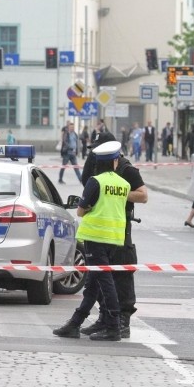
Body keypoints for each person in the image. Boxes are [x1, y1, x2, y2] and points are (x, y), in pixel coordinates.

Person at [53, 141, 130, 341]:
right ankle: (75, 323)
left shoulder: (95, 181)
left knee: (104, 281)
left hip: (95, 237)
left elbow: (81, 209)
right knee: (94, 283)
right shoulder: (123, 184)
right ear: (114, 161)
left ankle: (113, 325)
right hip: (114, 238)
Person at [80, 132, 149, 338]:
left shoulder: (126, 169)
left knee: (121, 273)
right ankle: (104, 318)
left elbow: (143, 195)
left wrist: (115, 193)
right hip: (101, 230)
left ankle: (122, 320)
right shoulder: (96, 164)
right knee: (100, 276)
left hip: (120, 227)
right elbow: (88, 184)